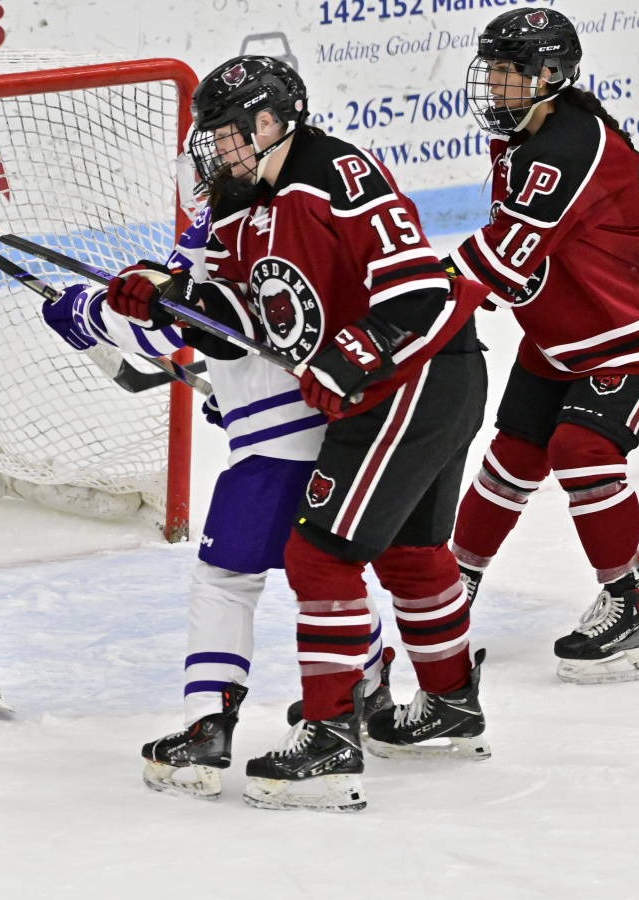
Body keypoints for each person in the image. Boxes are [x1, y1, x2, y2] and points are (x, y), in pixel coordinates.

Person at [104, 56, 490, 811]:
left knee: (319, 552)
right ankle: (450, 703)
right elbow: (242, 319)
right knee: (410, 553)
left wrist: (346, 360)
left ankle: (331, 737)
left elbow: (417, 292)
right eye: (213, 138)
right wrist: (170, 298)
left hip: (418, 372)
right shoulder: (240, 207)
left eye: (229, 134)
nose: (219, 151)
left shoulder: (334, 173)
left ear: (271, 122)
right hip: (413, 382)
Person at [41, 201, 394, 801]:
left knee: (226, 580)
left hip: (277, 442)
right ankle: (369, 684)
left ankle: (207, 726)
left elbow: (178, 319)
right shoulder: (307, 204)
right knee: (329, 570)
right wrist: (234, 395)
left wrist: (88, 313)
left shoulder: (227, 219)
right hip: (341, 424)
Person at [446, 8, 639, 684]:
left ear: (551, 74)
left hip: (635, 324)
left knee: (582, 450)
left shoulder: (568, 144)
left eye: (510, 70)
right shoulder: (526, 135)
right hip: (566, 323)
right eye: (492, 69)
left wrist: (419, 297)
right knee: (514, 454)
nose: (495, 83)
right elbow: (518, 255)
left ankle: (629, 604)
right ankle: (452, 586)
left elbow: (503, 254)